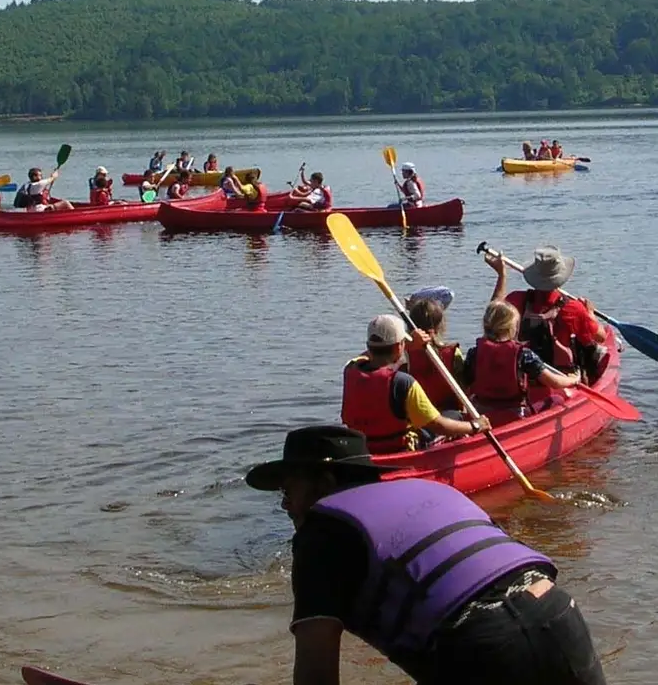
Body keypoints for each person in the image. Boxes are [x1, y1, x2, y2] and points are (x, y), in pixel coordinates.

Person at [245, 425, 609, 685]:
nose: (285, 503)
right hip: (560, 615)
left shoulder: (322, 532)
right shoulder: (429, 491)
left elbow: (316, 672)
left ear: (325, 484)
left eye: (289, 488)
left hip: (479, 644)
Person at [341, 315, 481, 454]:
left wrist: (406, 345)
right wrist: (475, 426)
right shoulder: (403, 382)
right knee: (454, 415)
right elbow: (438, 425)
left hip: (362, 447)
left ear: (368, 346)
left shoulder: (350, 369)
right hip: (398, 450)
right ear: (399, 347)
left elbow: (364, 356)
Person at [488, 247, 607, 398]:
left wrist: (501, 276)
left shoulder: (516, 300)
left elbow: (493, 316)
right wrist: (590, 314)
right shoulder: (574, 309)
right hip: (561, 380)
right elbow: (600, 337)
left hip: (521, 377)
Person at [459, 301, 582, 426]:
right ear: (512, 328)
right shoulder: (524, 354)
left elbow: (464, 385)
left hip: (481, 415)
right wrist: (573, 380)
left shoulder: (474, 352)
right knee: (557, 399)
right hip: (513, 415)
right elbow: (555, 383)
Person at [404, 291, 464, 413]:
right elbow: (463, 389)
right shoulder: (453, 352)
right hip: (448, 414)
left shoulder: (404, 354)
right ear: (440, 326)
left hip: (418, 414)